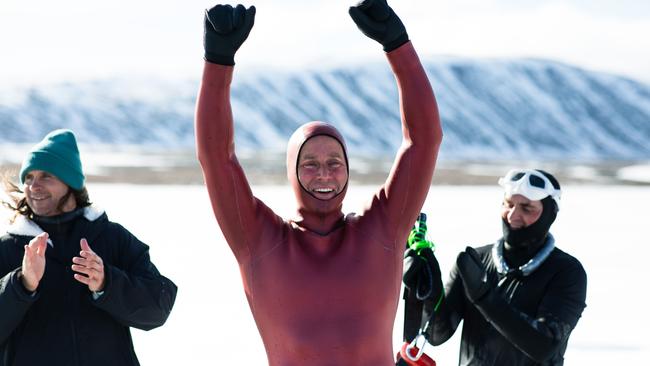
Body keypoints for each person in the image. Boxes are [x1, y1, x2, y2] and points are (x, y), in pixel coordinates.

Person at [196, 0, 442, 364]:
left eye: (334, 162)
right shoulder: (258, 240)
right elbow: (217, 159)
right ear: (292, 170)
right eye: (309, 163)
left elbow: (423, 141)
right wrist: (218, 63)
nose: (324, 173)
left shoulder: (382, 229)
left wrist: (397, 44)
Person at [0, 129, 177, 366]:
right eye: (29, 178)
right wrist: (21, 285)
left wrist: (108, 284)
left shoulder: (113, 239)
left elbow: (158, 307)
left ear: (71, 182)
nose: (33, 186)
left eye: (46, 176)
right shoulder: (9, 249)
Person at [421, 169, 587, 365]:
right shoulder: (476, 260)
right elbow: (436, 334)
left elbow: (544, 345)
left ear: (550, 215)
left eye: (526, 208)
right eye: (508, 204)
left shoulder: (566, 272)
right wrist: (427, 289)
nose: (513, 215)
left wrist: (484, 297)